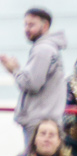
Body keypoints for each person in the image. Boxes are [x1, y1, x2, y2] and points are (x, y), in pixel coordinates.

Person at [2, 7, 65, 137]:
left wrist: (14, 70)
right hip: (47, 119)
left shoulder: (42, 49)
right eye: (25, 24)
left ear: (45, 25)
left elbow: (32, 84)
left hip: (39, 122)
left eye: (31, 25)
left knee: (34, 151)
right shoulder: (49, 48)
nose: (27, 29)